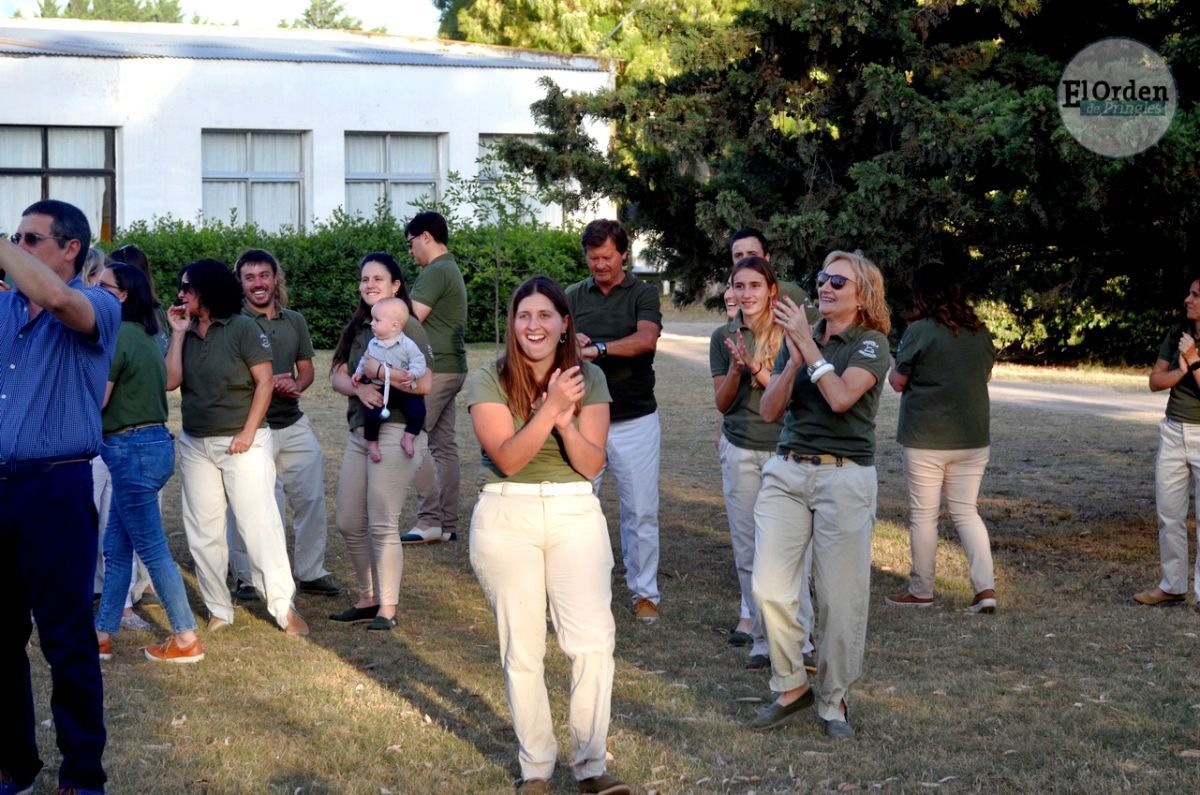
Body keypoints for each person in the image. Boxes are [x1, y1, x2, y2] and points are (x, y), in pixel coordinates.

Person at [467, 276, 630, 795]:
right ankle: (535, 769)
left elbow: (589, 464)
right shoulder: (488, 378)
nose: (533, 326)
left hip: (573, 513)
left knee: (592, 643)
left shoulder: (591, 379)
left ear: (564, 324)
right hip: (506, 515)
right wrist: (549, 407)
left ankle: (591, 766)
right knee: (523, 649)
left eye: (544, 316)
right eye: (523, 316)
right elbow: (509, 460)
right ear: (512, 324)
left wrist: (563, 421)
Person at [1, 199, 119, 794]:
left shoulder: (97, 303)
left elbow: (57, 300)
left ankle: (81, 774)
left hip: (56, 487)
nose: (19, 246)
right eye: (15, 237)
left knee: (66, 638)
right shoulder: (1, 310)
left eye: (30, 238)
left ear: (70, 248)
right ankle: (13, 764)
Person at [748, 250, 890, 739]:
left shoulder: (872, 344)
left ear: (862, 294)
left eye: (838, 281)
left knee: (837, 599)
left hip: (845, 477)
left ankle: (833, 702)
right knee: (768, 586)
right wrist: (791, 357)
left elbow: (841, 397)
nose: (825, 287)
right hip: (788, 472)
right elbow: (769, 412)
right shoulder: (800, 341)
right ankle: (790, 685)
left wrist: (807, 346)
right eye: (822, 279)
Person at [165, 258, 308, 636]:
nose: (181, 294)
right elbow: (170, 381)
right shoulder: (187, 330)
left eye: (187, 288)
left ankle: (282, 606)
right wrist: (178, 333)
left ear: (207, 291)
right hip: (196, 443)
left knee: (258, 524)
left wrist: (247, 433)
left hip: (243, 441)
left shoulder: (243, 328)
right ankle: (218, 608)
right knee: (203, 530)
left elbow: (264, 383)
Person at [93, 264, 204, 663]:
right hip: (150, 445)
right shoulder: (144, 334)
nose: (92, 288)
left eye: (100, 284)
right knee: (118, 547)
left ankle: (186, 637)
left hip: (130, 449)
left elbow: (98, 400)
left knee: (153, 550)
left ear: (121, 295)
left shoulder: (117, 336)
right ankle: (102, 634)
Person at [711, 255, 816, 671]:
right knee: (748, 547)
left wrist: (753, 365)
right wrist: (736, 370)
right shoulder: (724, 335)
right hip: (739, 451)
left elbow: (785, 396)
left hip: (785, 452)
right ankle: (759, 636)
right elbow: (721, 401)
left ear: (772, 290)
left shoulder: (790, 333)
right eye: (739, 286)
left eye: (755, 286)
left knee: (792, 552)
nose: (746, 294)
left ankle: (801, 640)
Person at [885, 264, 997, 613]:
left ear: (921, 294)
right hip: (973, 437)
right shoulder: (980, 332)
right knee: (966, 512)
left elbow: (898, 381)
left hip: (926, 438)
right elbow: (986, 375)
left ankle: (921, 590)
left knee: (924, 516)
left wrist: (894, 366)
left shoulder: (919, 331)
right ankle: (985, 590)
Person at [228, 249, 340, 600]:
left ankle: (310, 571)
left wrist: (296, 384)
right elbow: (229, 375)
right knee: (252, 505)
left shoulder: (295, 320)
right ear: (240, 283)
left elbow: (306, 371)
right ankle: (247, 578)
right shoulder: (233, 323)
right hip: (251, 428)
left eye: (264, 275)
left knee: (310, 499)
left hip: (292, 424)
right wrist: (268, 379)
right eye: (250, 277)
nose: (258, 283)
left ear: (276, 279)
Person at [329, 253, 433, 631]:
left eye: (378, 279)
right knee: (348, 520)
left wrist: (379, 372)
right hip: (361, 431)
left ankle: (387, 607)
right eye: (364, 279)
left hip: (397, 429)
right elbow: (338, 376)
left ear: (395, 286)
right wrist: (360, 391)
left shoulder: (409, 328)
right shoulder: (361, 328)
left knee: (382, 520)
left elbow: (425, 383)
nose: (368, 285)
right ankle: (367, 596)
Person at [567, 219, 664, 623]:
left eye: (607, 257)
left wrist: (600, 349)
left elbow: (646, 339)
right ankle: (576, 589)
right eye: (593, 259)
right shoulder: (572, 295)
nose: (600, 265)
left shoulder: (643, 293)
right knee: (576, 506)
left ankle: (645, 594)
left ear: (624, 254)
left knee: (640, 510)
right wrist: (570, 342)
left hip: (635, 418)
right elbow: (554, 337)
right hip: (584, 419)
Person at [1135, 275, 1200, 609]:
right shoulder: (1178, 334)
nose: (1188, 300)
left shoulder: (1188, 345)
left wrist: (1195, 360)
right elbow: (1154, 381)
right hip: (1173, 430)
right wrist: (1182, 370)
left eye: (1196, 295)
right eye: (1189, 293)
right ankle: (1172, 586)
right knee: (1169, 514)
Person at [403, 211, 468, 544]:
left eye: (410, 242)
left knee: (409, 434)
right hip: (452, 366)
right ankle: (446, 523)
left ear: (426, 236)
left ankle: (429, 520)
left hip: (436, 369)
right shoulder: (450, 268)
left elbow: (410, 321)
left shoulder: (434, 271)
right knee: (443, 445)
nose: (410, 251)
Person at [353, 296, 427, 461]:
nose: (372, 323)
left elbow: (419, 361)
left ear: (395, 326)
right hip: (380, 388)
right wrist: (359, 372)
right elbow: (365, 359)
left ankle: (408, 437)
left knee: (418, 411)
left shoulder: (407, 345)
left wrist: (414, 373)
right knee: (371, 414)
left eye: (377, 320)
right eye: (372, 319)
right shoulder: (373, 343)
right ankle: (372, 444)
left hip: (402, 388)